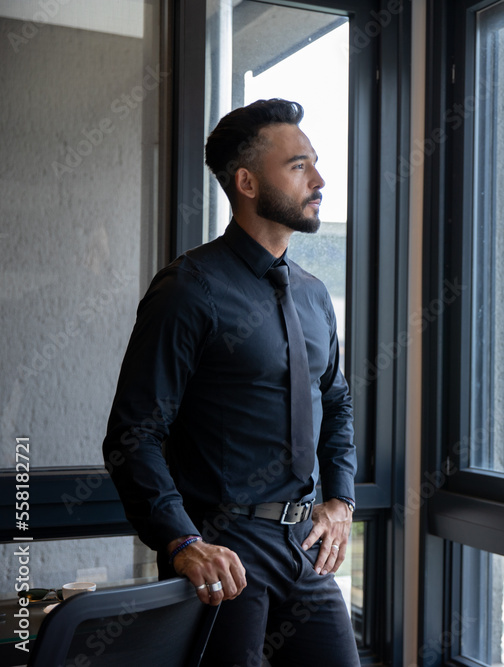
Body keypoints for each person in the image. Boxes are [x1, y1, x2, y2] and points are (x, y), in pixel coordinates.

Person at [102, 98, 359, 667]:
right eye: (298, 166)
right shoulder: (188, 289)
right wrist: (183, 542)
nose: (318, 180)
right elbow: (133, 434)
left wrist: (339, 497)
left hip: (306, 549)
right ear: (246, 181)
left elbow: (335, 404)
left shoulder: (315, 294)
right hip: (227, 551)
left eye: (314, 163)